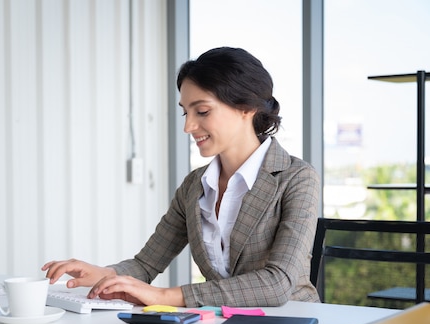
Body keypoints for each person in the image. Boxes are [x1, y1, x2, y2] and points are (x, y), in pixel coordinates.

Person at [42, 47, 320, 308]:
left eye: (202, 111)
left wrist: (165, 296)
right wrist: (104, 273)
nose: (188, 126)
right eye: (185, 112)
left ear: (246, 108)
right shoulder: (195, 186)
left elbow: (277, 283)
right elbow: (146, 265)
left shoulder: (296, 178)